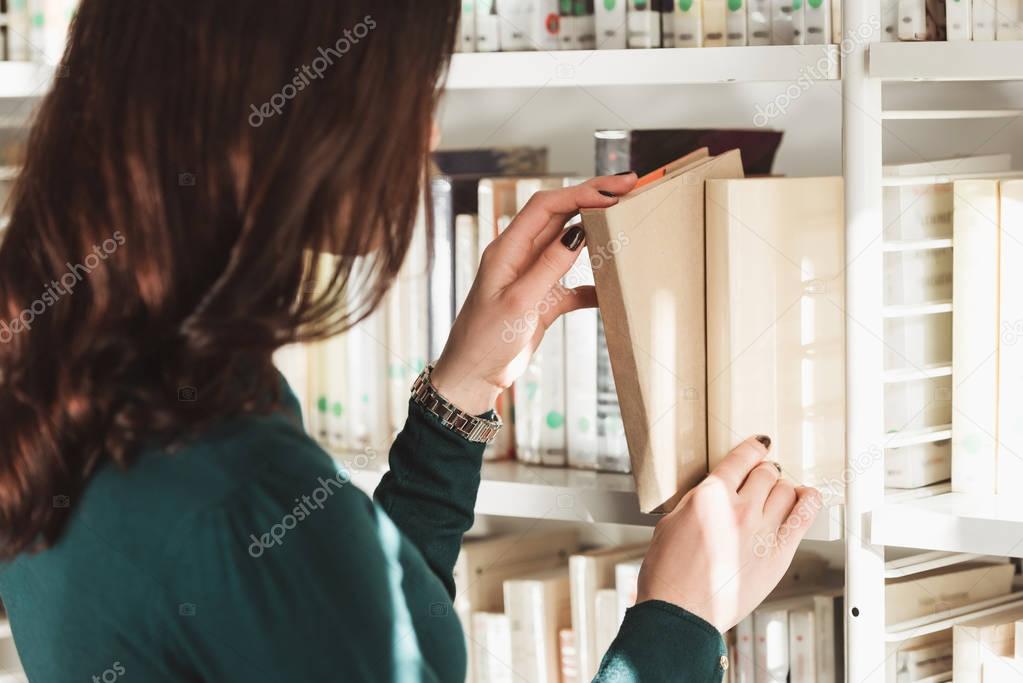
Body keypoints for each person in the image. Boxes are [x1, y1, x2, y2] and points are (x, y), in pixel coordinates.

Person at [0, 1, 821, 681]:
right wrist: (677, 621)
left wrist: (458, 399)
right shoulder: (242, 490)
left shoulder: (72, 378)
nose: (425, 134)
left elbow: (363, 639)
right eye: (417, 89)